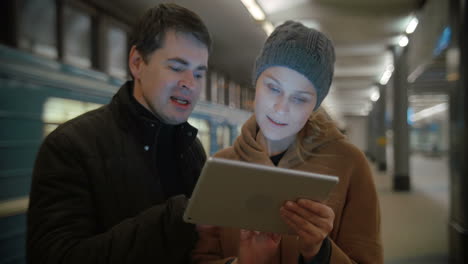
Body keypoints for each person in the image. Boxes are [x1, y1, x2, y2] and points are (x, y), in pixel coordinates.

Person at [27, 3, 211, 263]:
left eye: (199, 73)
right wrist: (174, 220)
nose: (190, 84)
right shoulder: (70, 147)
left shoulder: (192, 149)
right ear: (137, 63)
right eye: (176, 67)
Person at [192, 21, 383, 264]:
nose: (281, 109)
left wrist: (320, 253)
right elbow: (201, 257)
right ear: (256, 83)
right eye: (273, 88)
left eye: (300, 99)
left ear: (315, 105)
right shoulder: (221, 167)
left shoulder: (350, 165)